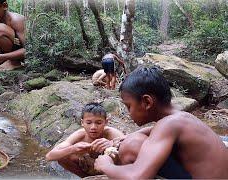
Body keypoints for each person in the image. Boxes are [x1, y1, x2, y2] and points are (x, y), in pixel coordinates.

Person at [94, 66, 228, 179]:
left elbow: (137, 176)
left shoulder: (168, 125)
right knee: (132, 139)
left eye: (129, 106)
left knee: (132, 145)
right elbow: (154, 129)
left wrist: (105, 165)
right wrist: (126, 136)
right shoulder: (180, 118)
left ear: (147, 102)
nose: (129, 113)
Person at [45, 103, 124, 178]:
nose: (93, 127)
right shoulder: (80, 135)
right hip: (89, 168)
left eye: (98, 123)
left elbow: (131, 145)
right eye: (89, 123)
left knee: (123, 152)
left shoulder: (111, 133)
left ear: (106, 122)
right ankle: (87, 178)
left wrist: (112, 144)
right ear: (82, 123)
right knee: (63, 157)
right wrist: (74, 148)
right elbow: (49, 156)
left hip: (112, 169)